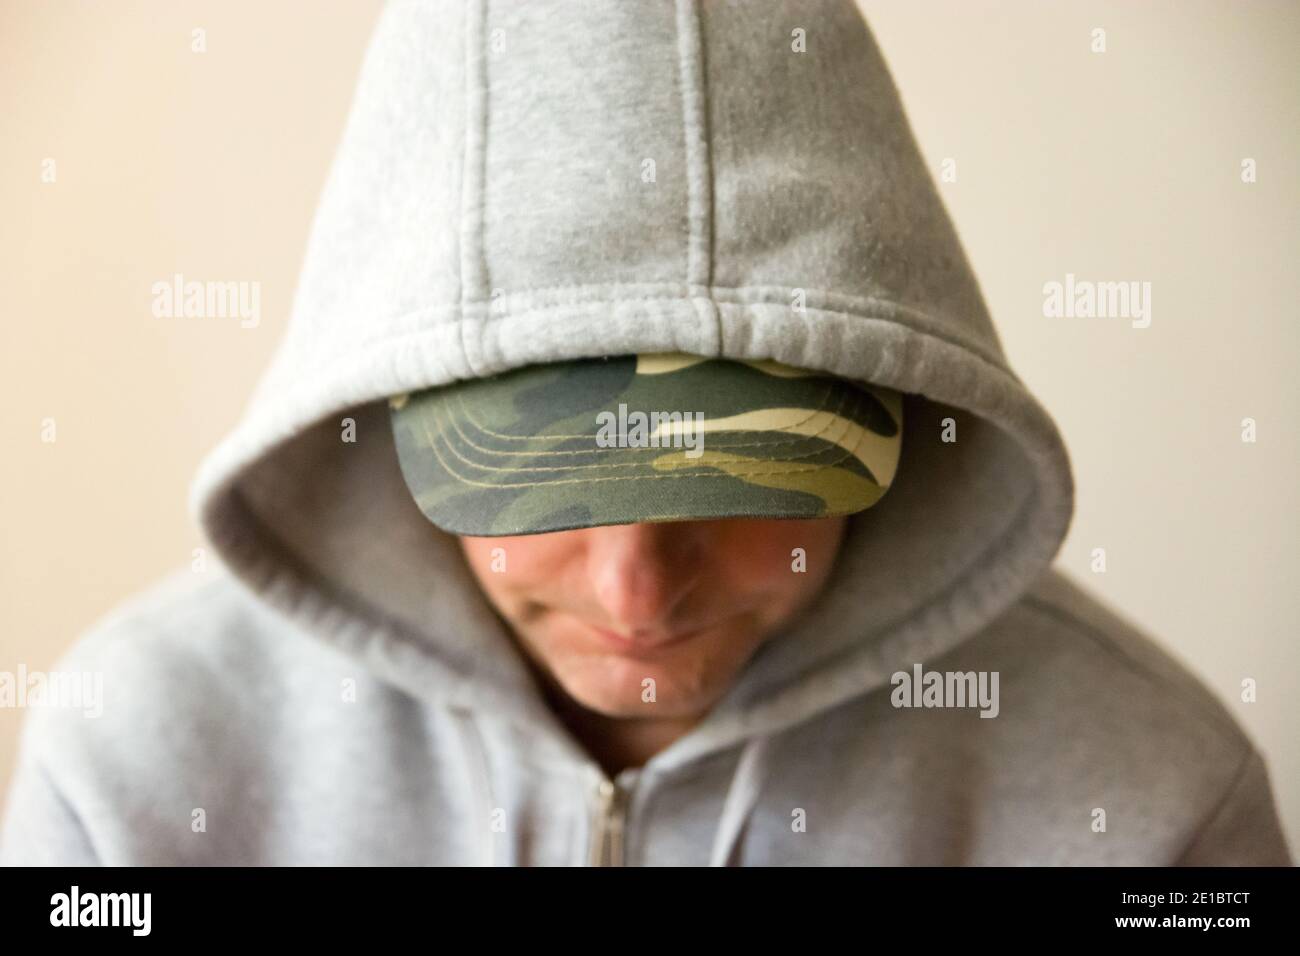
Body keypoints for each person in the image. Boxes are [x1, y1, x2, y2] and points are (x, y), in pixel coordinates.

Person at [1, 0, 1290, 866]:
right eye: (533, 478)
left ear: (900, 405)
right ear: (384, 418)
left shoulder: (1154, 800)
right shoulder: (138, 764)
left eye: (740, 475)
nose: (636, 585)